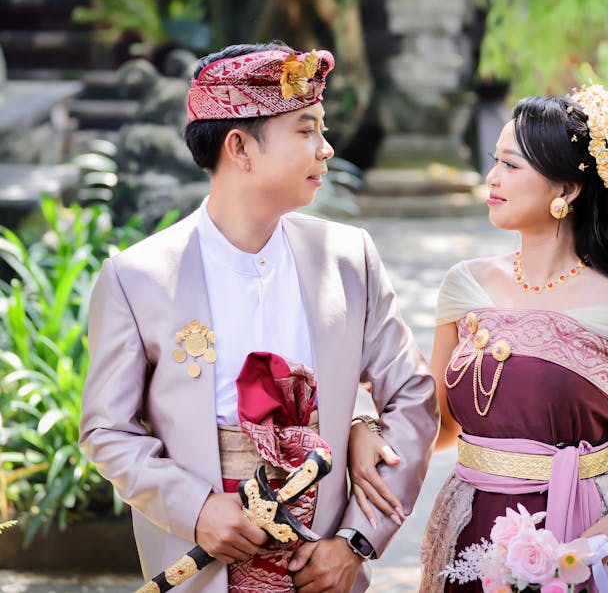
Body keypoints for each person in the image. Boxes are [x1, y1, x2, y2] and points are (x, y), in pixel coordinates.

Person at [79, 41, 438, 593]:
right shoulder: (138, 276)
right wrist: (196, 509)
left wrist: (356, 541)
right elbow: (107, 429)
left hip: (324, 566)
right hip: (203, 559)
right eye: (306, 129)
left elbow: (413, 396)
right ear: (240, 147)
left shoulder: (349, 258)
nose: (326, 149)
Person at [350, 85, 608, 592]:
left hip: (584, 533)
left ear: (567, 190)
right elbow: (438, 425)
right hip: (471, 526)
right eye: (495, 161)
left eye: (512, 165)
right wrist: (367, 428)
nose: (492, 178)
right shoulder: (465, 284)